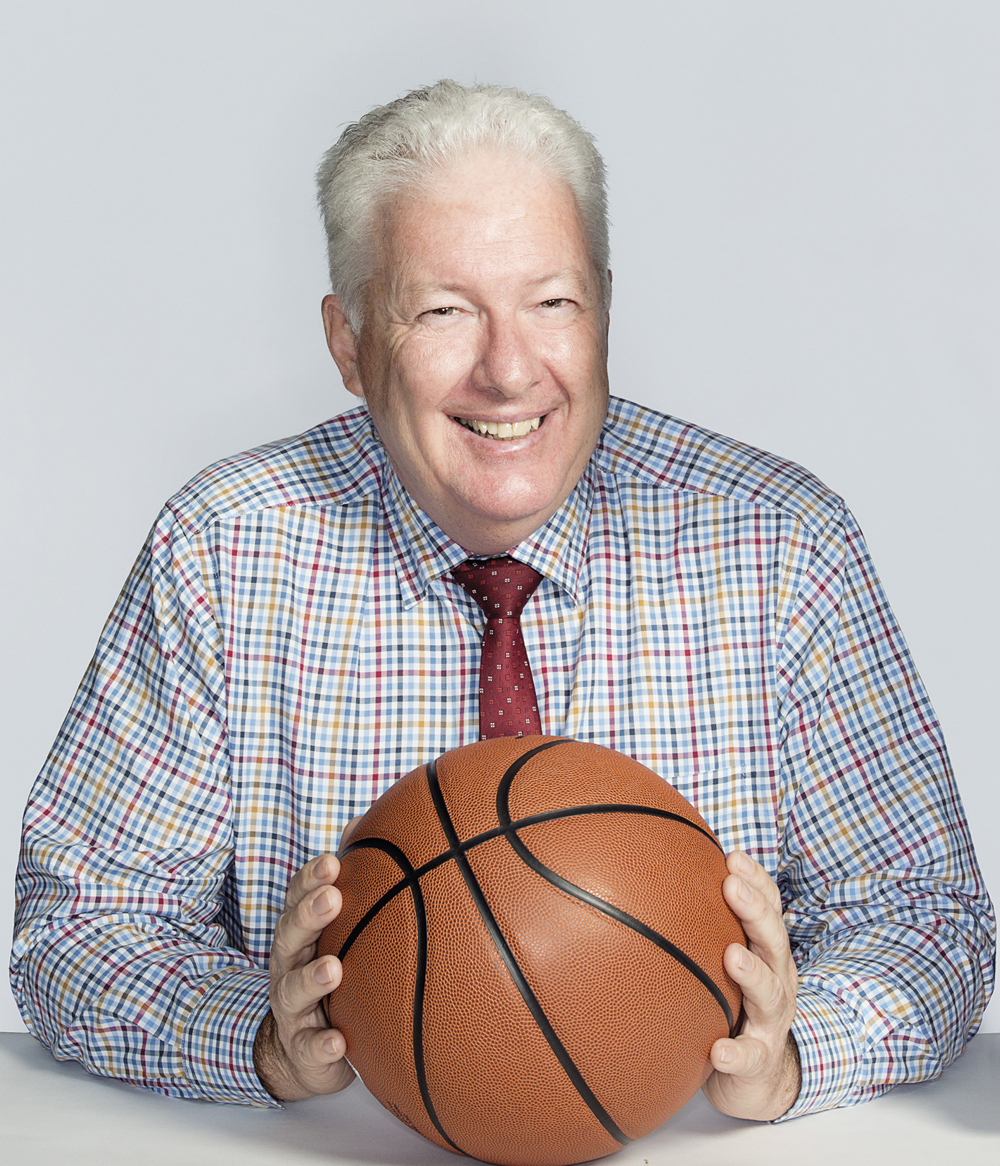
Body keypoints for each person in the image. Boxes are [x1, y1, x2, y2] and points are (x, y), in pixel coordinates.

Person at [12, 81, 994, 1128]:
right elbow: (78, 924)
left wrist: (786, 1051)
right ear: (348, 344)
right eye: (443, 310)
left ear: (604, 310)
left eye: (552, 302)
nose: (509, 369)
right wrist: (259, 1034)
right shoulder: (220, 547)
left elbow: (928, 920)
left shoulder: (782, 541)